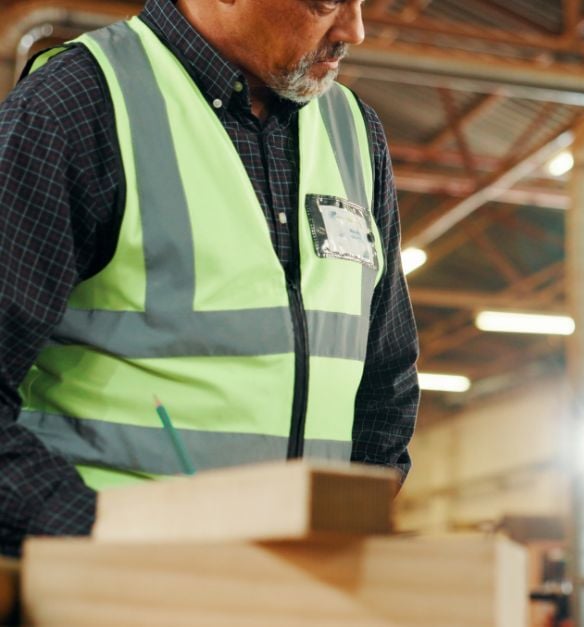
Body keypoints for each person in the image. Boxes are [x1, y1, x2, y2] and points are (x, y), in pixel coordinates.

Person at [0, 0, 420, 558]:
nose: (355, 31)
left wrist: (345, 535)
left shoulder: (355, 132)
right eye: (325, 3)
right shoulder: (79, 101)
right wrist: (98, 538)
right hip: (109, 587)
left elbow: (385, 375)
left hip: (291, 589)